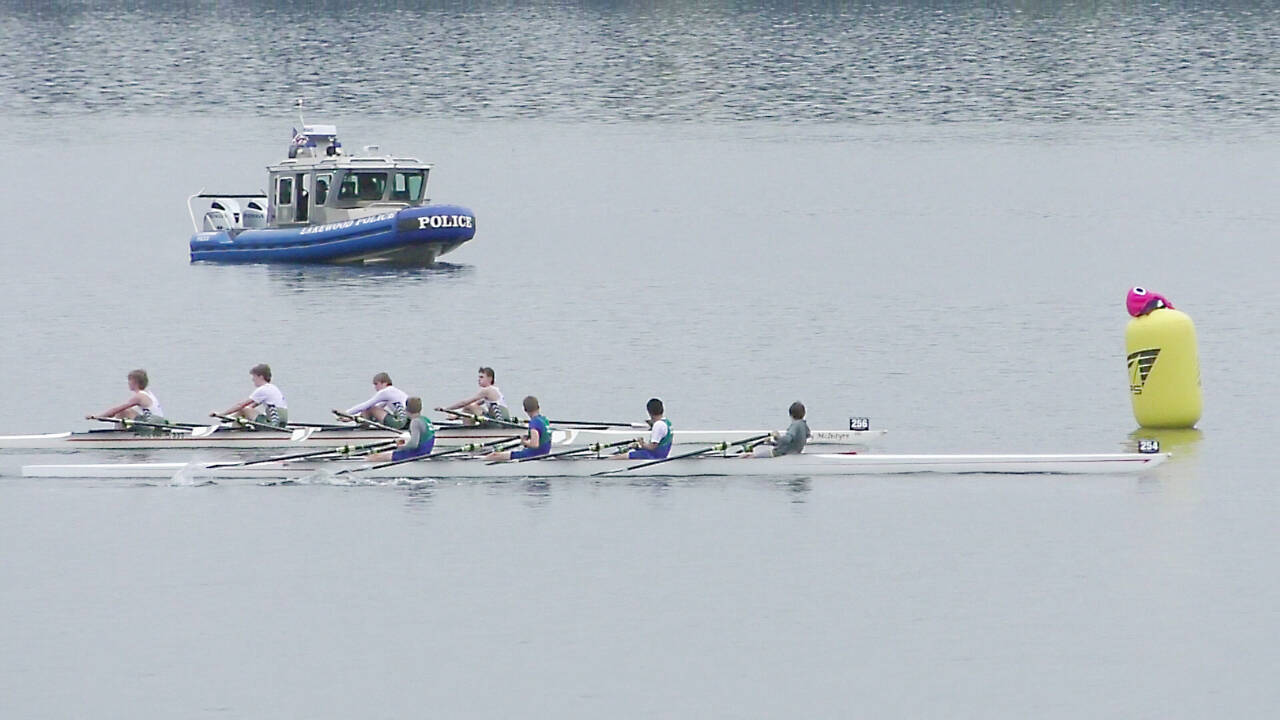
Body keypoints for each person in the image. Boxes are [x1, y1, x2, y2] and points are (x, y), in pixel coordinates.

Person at [214, 363, 289, 428]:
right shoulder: (273, 388)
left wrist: (222, 414)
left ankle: (234, 432)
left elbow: (241, 405)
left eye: (254, 376)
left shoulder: (263, 389)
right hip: (281, 422)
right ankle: (230, 422)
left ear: (261, 377)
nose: (252, 380)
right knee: (245, 410)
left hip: (273, 424)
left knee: (244, 409)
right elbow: (251, 406)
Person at [87, 369, 167, 429]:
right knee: (128, 411)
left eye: (129, 380)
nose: (128, 383)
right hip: (158, 422)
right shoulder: (148, 393)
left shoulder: (139, 397)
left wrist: (97, 417)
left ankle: (118, 436)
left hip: (153, 425)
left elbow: (115, 410)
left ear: (134, 382)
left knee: (122, 411)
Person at [367, 397, 433, 462]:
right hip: (426, 451)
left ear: (406, 409)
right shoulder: (425, 419)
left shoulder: (415, 422)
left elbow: (414, 444)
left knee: (373, 458)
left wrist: (400, 447)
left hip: (417, 454)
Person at [487, 396, 550, 461]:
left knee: (494, 455)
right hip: (545, 452)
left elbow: (535, 445)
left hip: (533, 454)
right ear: (538, 406)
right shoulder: (545, 420)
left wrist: (524, 442)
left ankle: (480, 461)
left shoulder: (534, 422)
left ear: (525, 409)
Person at [442, 366, 510, 424]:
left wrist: (446, 409)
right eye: (479, 377)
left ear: (490, 378)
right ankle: (468, 429)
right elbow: (472, 405)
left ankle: (468, 431)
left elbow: (465, 402)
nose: (479, 380)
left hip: (500, 422)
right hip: (501, 419)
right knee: (470, 407)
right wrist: (457, 415)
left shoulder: (487, 390)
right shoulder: (494, 390)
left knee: (470, 405)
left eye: (482, 377)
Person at [342, 372, 409, 429]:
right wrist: (352, 417)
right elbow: (379, 407)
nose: (375, 387)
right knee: (371, 409)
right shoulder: (394, 392)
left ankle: (362, 429)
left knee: (370, 407)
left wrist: (345, 414)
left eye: (376, 384)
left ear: (384, 383)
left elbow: (365, 405)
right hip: (407, 423)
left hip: (399, 423)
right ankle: (361, 425)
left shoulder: (385, 392)